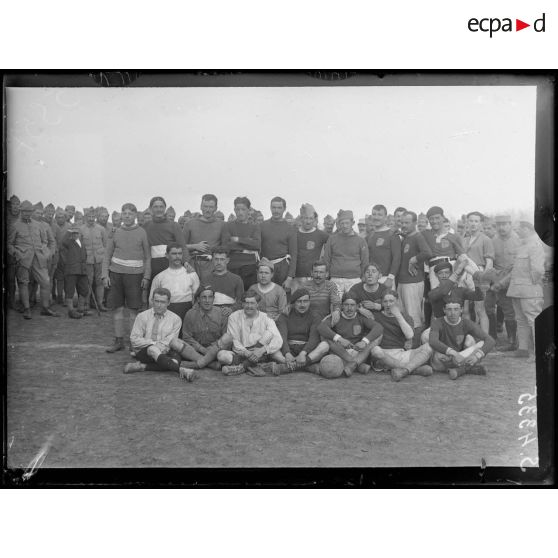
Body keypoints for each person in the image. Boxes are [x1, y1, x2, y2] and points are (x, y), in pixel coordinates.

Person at [102, 203, 151, 353]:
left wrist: (146, 276)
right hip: (116, 275)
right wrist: (105, 275)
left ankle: (133, 341)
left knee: (133, 311)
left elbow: (148, 257)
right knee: (117, 309)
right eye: (125, 213)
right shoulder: (114, 232)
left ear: (136, 215)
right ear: (121, 216)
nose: (127, 216)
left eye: (130, 213)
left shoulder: (142, 232)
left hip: (135, 277)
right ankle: (119, 341)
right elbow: (107, 255)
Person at [123, 287, 195, 381]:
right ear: (152, 301)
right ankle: (181, 370)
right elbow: (134, 339)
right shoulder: (142, 316)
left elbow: (171, 340)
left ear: (168, 303)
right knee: (154, 350)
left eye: (163, 302)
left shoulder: (176, 319)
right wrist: (154, 344)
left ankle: (143, 367)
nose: (159, 305)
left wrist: (162, 347)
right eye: (156, 301)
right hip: (145, 351)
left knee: (173, 362)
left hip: (166, 350)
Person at [8, 200, 59, 319]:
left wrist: (47, 253)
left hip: (39, 259)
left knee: (46, 282)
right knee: (23, 283)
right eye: (25, 211)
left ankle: (45, 308)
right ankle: (27, 309)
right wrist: (17, 254)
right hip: (23, 260)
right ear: (21, 211)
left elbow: (45, 241)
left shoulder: (38, 225)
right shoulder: (15, 225)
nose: (27, 213)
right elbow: (9, 244)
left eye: (29, 211)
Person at [503, 221, 546, 361]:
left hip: (529, 291)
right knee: (521, 321)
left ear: (527, 229)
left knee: (534, 321)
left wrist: (531, 284)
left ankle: (538, 352)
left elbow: (538, 270)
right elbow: (516, 270)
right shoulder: (523, 246)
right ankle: (523, 349)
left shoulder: (535, 245)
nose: (517, 231)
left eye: (519, 229)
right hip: (517, 290)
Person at [217, 290, 284, 376]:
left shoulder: (266, 317)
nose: (249, 306)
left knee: (269, 335)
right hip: (242, 353)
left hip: (262, 352)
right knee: (221, 356)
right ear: (242, 304)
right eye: (246, 303)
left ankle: (241, 367)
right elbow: (235, 341)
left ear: (257, 304)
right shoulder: (234, 316)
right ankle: (261, 366)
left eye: (252, 303)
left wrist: (262, 350)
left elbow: (278, 339)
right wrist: (247, 353)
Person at [369, 291, 433, 381]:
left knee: (428, 347)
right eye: (385, 301)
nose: (388, 304)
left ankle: (403, 370)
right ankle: (413, 369)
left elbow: (410, 335)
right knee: (375, 350)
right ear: (382, 303)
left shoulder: (405, 317)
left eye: (391, 301)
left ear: (397, 302)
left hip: (401, 353)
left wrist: (398, 315)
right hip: (383, 354)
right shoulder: (375, 316)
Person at [317, 293, 383, 377]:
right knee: (326, 337)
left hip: (359, 352)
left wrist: (364, 341)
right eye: (346, 305)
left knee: (378, 336)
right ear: (342, 306)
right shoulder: (337, 316)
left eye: (352, 305)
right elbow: (321, 327)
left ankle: (353, 364)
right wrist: (340, 339)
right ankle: (355, 364)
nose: (349, 308)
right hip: (341, 352)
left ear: (357, 306)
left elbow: (379, 327)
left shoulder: (361, 316)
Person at [429, 296, 495, 379]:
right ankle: (468, 369)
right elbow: (432, 341)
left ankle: (459, 370)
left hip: (461, 356)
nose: (453, 313)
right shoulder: (437, 322)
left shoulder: (466, 323)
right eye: (449, 309)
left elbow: (490, 340)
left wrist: (476, 356)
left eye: (456, 309)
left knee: (477, 342)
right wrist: (452, 352)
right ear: (444, 310)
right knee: (427, 338)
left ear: (461, 310)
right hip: (444, 356)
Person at [169, 285, 232, 372]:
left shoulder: (221, 313)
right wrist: (202, 349)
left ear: (213, 299)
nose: (207, 301)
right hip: (195, 351)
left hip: (215, 351)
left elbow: (224, 337)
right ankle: (211, 364)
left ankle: (199, 364)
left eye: (210, 297)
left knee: (227, 338)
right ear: (198, 299)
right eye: (204, 297)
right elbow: (187, 337)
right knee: (174, 342)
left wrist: (211, 349)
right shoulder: (190, 314)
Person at [484, 214, 520, 350]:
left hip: (512, 281)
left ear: (510, 224)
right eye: (499, 225)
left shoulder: (518, 240)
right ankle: (492, 337)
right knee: (488, 307)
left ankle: (512, 342)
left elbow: (518, 267)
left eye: (505, 224)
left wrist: (502, 283)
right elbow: (491, 262)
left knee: (509, 311)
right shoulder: (493, 240)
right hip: (495, 280)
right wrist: (493, 281)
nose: (501, 227)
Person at [274, 288, 330, 374]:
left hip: (306, 350)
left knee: (325, 345)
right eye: (299, 301)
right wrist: (287, 353)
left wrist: (303, 353)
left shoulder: (315, 316)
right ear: (293, 303)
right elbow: (282, 336)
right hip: (288, 348)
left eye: (305, 301)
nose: (302, 305)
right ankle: (307, 367)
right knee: (272, 346)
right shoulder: (285, 315)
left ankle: (290, 367)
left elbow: (314, 338)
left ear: (309, 302)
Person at [397, 211, 432, 335]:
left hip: (413, 281)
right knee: (404, 315)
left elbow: (427, 252)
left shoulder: (418, 236)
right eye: (402, 222)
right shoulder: (406, 237)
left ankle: (416, 345)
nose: (404, 225)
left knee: (413, 317)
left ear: (415, 223)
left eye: (407, 222)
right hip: (402, 281)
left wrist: (414, 259)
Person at [148, 243, 200, 321]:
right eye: (174, 254)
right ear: (167, 255)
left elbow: (197, 297)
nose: (177, 256)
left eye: (180, 253)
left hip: (187, 312)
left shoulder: (192, 275)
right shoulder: (159, 277)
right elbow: (152, 301)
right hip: (165, 312)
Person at [462, 211, 495, 333]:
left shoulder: (485, 239)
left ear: (480, 223)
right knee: (464, 309)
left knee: (479, 309)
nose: (473, 224)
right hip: (464, 274)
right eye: (471, 221)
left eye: (476, 221)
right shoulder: (464, 240)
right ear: (467, 222)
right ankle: (469, 337)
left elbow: (489, 261)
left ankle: (484, 339)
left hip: (478, 273)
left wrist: (484, 278)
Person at [323, 209, 369, 295]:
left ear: (353, 223)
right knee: (335, 304)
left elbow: (365, 261)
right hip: (336, 278)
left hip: (354, 279)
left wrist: (363, 277)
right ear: (339, 224)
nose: (344, 226)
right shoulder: (332, 239)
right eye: (342, 223)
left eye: (347, 223)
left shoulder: (360, 240)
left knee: (353, 304)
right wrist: (327, 275)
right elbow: (327, 259)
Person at [143, 196, 188, 279]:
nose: (159, 209)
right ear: (150, 209)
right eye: (155, 207)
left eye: (161, 207)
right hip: (153, 266)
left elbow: (182, 246)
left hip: (171, 263)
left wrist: (185, 262)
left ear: (165, 208)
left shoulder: (174, 225)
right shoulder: (146, 226)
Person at [222, 196, 261, 291]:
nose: (240, 212)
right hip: (232, 266)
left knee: (249, 296)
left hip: (250, 267)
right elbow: (226, 246)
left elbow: (257, 245)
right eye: (237, 209)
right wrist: (248, 243)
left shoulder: (254, 227)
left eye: (243, 209)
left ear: (249, 210)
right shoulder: (228, 226)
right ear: (234, 210)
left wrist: (238, 239)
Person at [421, 206, 466, 289]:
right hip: (434, 270)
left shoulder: (454, 236)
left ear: (443, 218)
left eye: (437, 218)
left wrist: (458, 273)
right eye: (431, 219)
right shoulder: (424, 234)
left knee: (452, 297)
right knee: (436, 297)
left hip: (450, 268)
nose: (434, 221)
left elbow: (463, 257)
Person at [183, 194, 225, 281]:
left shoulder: (222, 225)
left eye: (211, 207)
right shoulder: (190, 224)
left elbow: (225, 247)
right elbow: (180, 246)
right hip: (193, 265)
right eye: (205, 206)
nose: (208, 210)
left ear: (216, 208)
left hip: (213, 266)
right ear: (201, 207)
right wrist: (194, 246)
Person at [259, 196, 297, 289]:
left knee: (282, 299)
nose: (276, 211)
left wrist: (289, 277)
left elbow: (294, 254)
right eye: (274, 207)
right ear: (270, 208)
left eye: (279, 208)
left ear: (284, 209)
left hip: (282, 268)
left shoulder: (290, 229)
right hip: (265, 267)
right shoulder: (262, 226)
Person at [291, 203, 329, 293]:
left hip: (314, 277)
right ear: (301, 219)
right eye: (305, 218)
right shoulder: (293, 234)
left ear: (315, 220)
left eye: (311, 218)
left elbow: (334, 244)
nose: (308, 221)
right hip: (296, 277)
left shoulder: (321, 235)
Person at [58, 224, 92, 318]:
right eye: (74, 233)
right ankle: (71, 311)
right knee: (70, 291)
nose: (75, 234)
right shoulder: (69, 242)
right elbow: (63, 241)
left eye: (77, 232)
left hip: (82, 271)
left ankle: (81, 309)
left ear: (80, 233)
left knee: (84, 290)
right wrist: (70, 230)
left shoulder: (82, 242)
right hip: (71, 270)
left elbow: (84, 256)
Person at [366, 204, 401, 289]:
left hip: (386, 278)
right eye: (374, 214)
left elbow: (397, 257)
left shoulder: (392, 234)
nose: (376, 217)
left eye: (379, 215)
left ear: (385, 217)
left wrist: (390, 278)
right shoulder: (370, 235)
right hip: (371, 278)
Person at [80, 206, 108, 312]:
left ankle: (100, 303)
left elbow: (106, 245)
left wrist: (104, 257)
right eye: (89, 216)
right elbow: (79, 246)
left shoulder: (101, 229)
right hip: (87, 260)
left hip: (99, 260)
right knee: (88, 282)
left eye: (93, 216)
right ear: (85, 217)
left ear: (95, 217)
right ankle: (87, 304)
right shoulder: (81, 229)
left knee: (100, 282)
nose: (91, 219)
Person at [205, 247, 245, 316]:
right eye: (216, 259)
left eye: (222, 259)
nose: (219, 262)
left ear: (227, 260)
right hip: (210, 315)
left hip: (231, 315)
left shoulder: (237, 279)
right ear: (212, 260)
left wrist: (232, 309)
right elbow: (199, 300)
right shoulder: (205, 279)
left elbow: (241, 301)